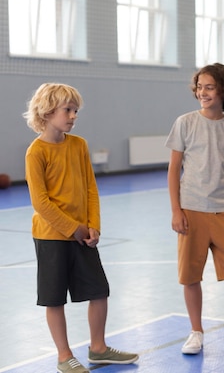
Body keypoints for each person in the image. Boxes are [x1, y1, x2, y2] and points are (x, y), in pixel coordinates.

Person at [23, 83, 138, 373]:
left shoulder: (79, 145)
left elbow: (90, 189)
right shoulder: (35, 153)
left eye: (75, 111)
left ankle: (98, 348)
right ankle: (64, 355)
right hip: (51, 237)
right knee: (54, 298)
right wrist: (73, 228)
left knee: (99, 291)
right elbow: (41, 203)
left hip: (83, 235)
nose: (73, 116)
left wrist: (93, 226)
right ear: (47, 112)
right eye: (68, 110)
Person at [166, 63, 224, 357]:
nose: (202, 92)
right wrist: (176, 210)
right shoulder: (185, 123)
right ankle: (196, 332)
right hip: (191, 210)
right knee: (191, 276)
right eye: (199, 87)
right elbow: (173, 169)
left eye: (209, 87)